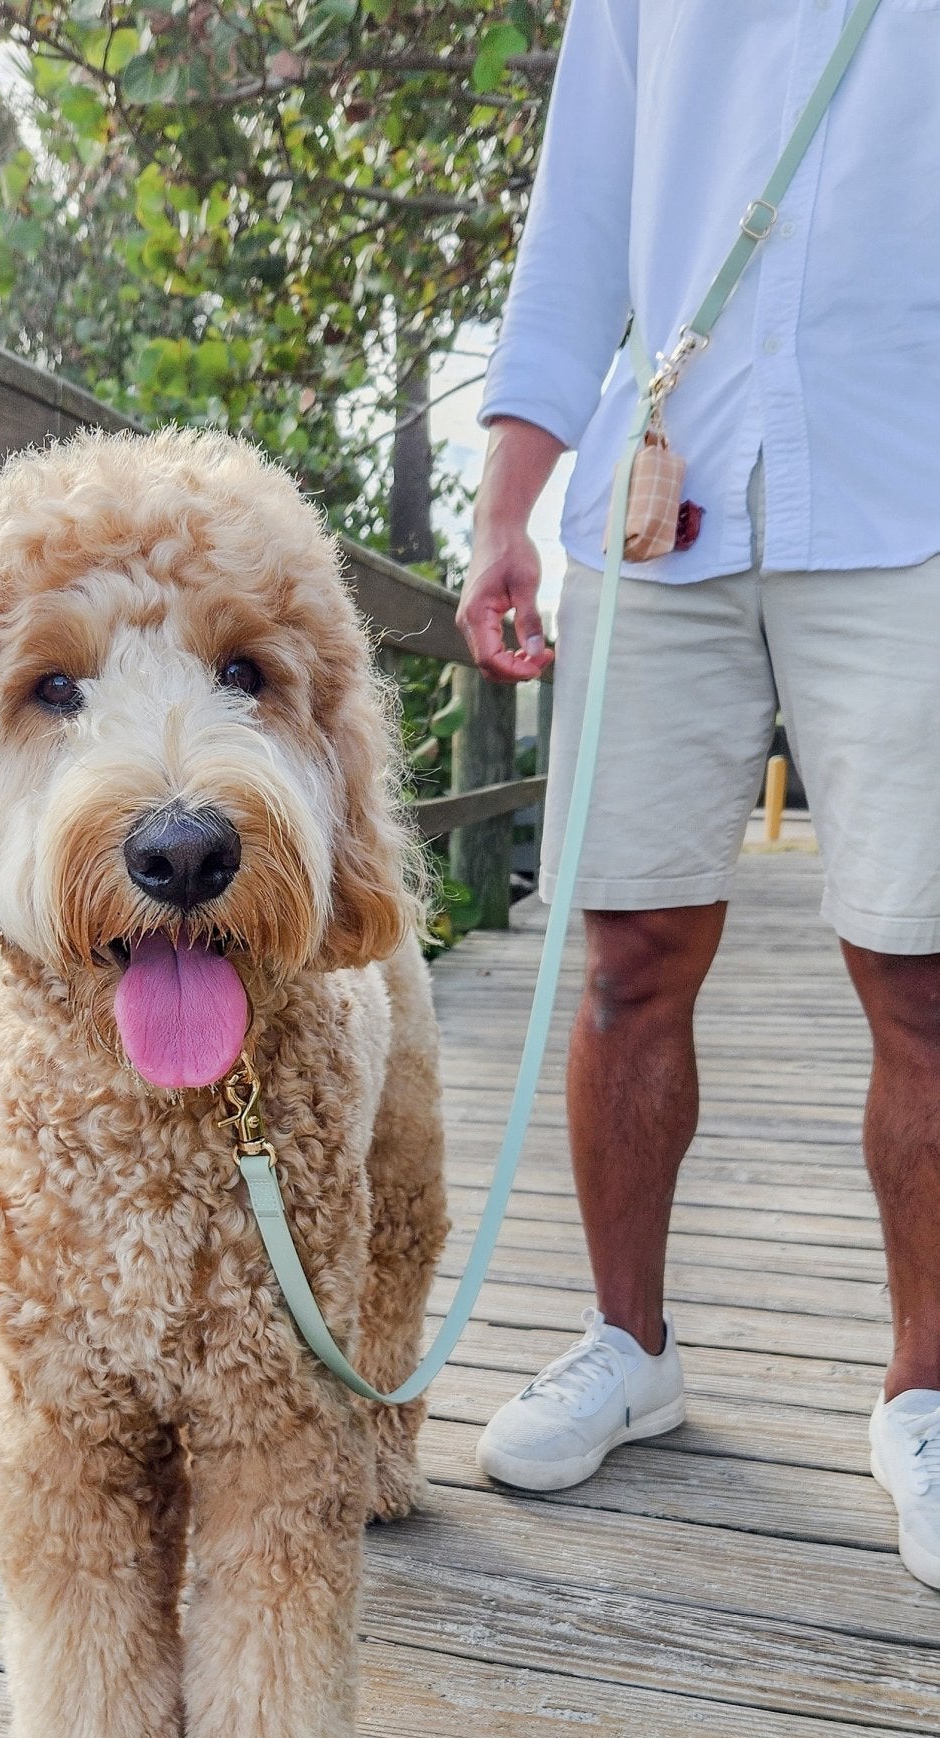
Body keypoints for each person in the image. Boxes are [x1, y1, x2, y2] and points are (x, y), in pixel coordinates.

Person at [457, 0, 940, 1591]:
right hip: (665, 498)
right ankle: (626, 1343)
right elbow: (575, 234)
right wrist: (506, 516)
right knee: (625, 961)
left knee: (922, 980)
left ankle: (923, 1390)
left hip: (909, 493)